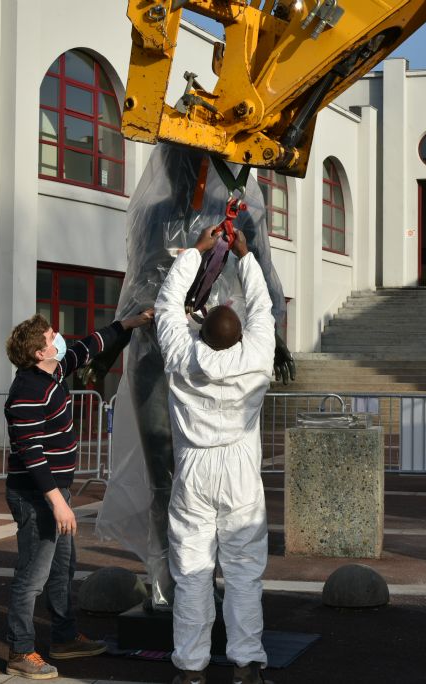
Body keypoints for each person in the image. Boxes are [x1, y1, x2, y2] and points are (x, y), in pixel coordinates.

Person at [2, 308, 154, 679]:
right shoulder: (26, 391)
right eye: (52, 336)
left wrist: (127, 325)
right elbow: (32, 455)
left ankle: (65, 637)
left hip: (57, 492)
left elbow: (88, 347)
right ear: (39, 353)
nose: (59, 338)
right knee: (32, 576)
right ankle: (20, 651)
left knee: (62, 568)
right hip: (36, 495)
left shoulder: (54, 371)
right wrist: (57, 504)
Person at [155, 227, 276, 684]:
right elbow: (263, 309)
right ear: (239, 334)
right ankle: (246, 664)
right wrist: (244, 259)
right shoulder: (258, 355)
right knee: (245, 572)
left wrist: (197, 253)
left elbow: (167, 305)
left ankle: (191, 668)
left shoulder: (183, 356)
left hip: (194, 469)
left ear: (200, 331)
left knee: (192, 571)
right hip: (241, 468)